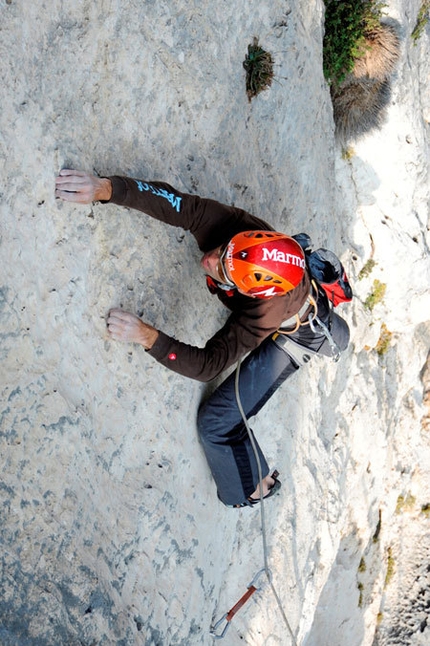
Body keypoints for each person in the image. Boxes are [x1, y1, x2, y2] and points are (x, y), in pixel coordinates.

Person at [55, 169, 350, 508]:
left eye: (224, 272)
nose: (211, 260)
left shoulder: (263, 312)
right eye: (224, 252)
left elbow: (209, 365)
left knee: (215, 425)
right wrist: (107, 189)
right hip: (289, 289)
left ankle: (255, 485)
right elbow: (178, 205)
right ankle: (336, 329)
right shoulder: (242, 231)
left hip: (300, 333)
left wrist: (147, 336)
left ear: (252, 293)